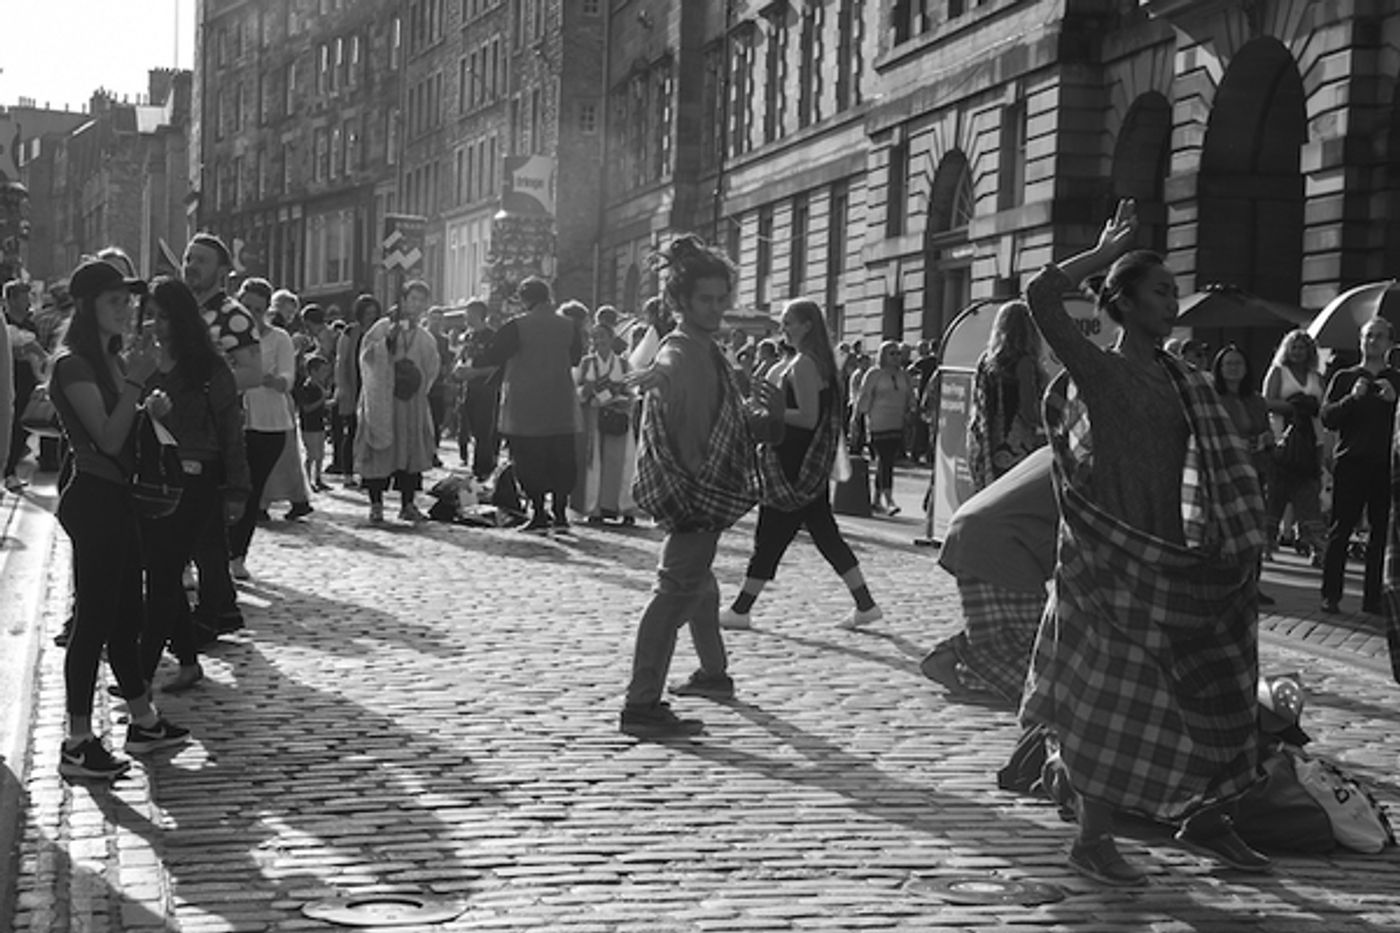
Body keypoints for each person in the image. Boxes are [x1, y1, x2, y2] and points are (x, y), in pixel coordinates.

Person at [1021, 199, 1271, 885]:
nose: (1173, 300)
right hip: (1109, 560)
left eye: (1172, 290)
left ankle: (1210, 818)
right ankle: (1092, 840)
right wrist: (1102, 253)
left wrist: (1236, 536)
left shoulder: (1183, 378)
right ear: (1124, 304)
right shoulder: (1102, 370)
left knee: (1213, 683)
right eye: (1160, 290)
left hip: (1176, 558)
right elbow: (1038, 295)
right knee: (1108, 696)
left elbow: (1225, 466)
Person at [49, 259, 191, 778]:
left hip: (118, 498)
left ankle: (143, 719)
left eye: (127, 301)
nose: (126, 309)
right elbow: (104, 439)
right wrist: (134, 385)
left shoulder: (107, 361)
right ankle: (78, 740)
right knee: (93, 622)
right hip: (92, 499)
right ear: (88, 306)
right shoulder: (73, 364)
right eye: (114, 301)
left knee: (127, 615)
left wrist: (145, 410)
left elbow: (122, 429)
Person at [621, 234, 763, 736]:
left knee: (699, 585)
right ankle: (641, 703)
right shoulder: (683, 352)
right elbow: (667, 377)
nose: (718, 308)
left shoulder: (705, 348)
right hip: (696, 495)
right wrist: (655, 378)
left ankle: (714, 674)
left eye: (723, 298)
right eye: (707, 299)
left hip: (705, 493)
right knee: (674, 593)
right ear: (681, 302)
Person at [717, 298, 883, 636]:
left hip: (795, 461)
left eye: (789, 322)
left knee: (770, 536)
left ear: (807, 324)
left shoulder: (807, 364)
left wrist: (771, 414)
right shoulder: (800, 361)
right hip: (794, 458)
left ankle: (740, 609)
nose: (783, 328)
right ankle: (865, 604)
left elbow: (808, 417)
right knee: (825, 535)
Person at [138, 277, 250, 694]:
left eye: (165, 316)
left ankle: (141, 673)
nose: (157, 324)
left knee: (165, 573)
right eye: (151, 316)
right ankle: (187, 663)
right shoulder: (141, 363)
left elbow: (231, 431)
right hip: (152, 477)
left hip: (196, 480)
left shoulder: (208, 367)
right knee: (162, 571)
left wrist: (238, 489)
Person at [921, 446, 1055, 705]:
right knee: (1029, 639)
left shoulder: (1060, 449)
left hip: (979, 529)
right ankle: (951, 657)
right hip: (997, 541)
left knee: (1014, 628)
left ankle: (953, 658)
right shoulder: (1090, 466)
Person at [183, 233, 259, 637]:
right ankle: (206, 606)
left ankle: (217, 608)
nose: (191, 265)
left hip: (213, 433)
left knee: (206, 523)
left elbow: (253, 371)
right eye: (188, 257)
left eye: (201, 260)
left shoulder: (232, 315)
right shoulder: (178, 310)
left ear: (222, 271)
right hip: (175, 431)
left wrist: (205, 386)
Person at [482, 277, 584, 532]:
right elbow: (575, 358)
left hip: (525, 406)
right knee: (561, 460)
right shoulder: (569, 326)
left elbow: (494, 354)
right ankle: (560, 514)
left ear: (525, 299)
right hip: (560, 404)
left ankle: (539, 513)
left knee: (529, 461)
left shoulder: (517, 326)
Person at [1319, 317, 1400, 615]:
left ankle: (1373, 599)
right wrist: (1352, 399)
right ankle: (1331, 595)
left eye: (1379, 337)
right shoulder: (1345, 377)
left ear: (1390, 343)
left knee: (1381, 534)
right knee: (1340, 531)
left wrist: (1395, 400)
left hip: (1386, 466)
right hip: (1351, 462)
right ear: (1360, 341)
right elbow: (1327, 417)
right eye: (1368, 336)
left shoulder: (1396, 379)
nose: (1373, 341)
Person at [355, 280, 440, 523]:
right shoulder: (383, 327)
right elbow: (367, 355)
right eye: (412, 298)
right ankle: (376, 504)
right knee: (380, 450)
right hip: (384, 399)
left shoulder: (424, 337)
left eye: (421, 300)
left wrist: (416, 380)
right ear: (403, 300)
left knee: (409, 451)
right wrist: (388, 343)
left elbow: (431, 366)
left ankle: (407, 503)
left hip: (409, 403)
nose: (416, 304)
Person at [228, 278, 294, 579]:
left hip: (269, 426)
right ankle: (205, 555)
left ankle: (237, 555)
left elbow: (286, 379)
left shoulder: (279, 338)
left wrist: (266, 378)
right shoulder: (225, 335)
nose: (251, 314)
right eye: (246, 306)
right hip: (230, 423)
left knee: (251, 492)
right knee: (222, 490)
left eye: (258, 309)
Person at [1212, 344, 1276, 607]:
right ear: (1219, 368)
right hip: (1224, 473)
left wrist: (1264, 438)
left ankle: (1252, 584)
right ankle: (1224, 585)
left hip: (1253, 471)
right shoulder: (1213, 398)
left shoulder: (1256, 400)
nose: (1234, 368)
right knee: (1225, 532)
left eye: (1239, 363)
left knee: (1253, 531)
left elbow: (1266, 431)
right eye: (1228, 363)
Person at [966, 301, 1048, 492]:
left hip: (989, 443)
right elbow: (1028, 411)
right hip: (1016, 444)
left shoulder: (986, 360)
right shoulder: (1025, 363)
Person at [1261, 329, 1325, 560]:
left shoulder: (1316, 377)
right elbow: (1266, 402)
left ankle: (1316, 545)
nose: (1298, 352)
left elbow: (1322, 410)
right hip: (1281, 440)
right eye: (1294, 347)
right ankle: (1267, 543)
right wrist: (1295, 407)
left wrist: (1322, 446)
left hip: (1310, 440)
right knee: (1274, 494)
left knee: (1309, 494)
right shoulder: (1279, 372)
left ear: (1310, 351)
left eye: (1302, 347)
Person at [576, 321, 638, 525]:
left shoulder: (623, 364)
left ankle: (624, 507)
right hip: (594, 420)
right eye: (595, 337)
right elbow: (576, 392)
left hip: (618, 419)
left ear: (612, 339)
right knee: (595, 463)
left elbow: (632, 392)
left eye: (603, 336)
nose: (599, 341)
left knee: (623, 462)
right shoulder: (586, 363)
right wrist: (587, 392)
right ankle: (595, 508)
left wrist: (621, 398)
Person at [853, 340, 913, 515]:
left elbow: (909, 395)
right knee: (885, 458)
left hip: (897, 422)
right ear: (883, 355)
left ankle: (877, 498)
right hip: (878, 422)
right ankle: (889, 499)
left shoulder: (903, 375)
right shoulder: (875, 374)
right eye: (892, 353)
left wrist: (911, 410)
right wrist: (857, 418)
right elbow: (864, 396)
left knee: (886, 460)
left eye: (898, 353)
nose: (896, 357)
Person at [451, 298, 501, 481]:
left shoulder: (492, 337)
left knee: (484, 431)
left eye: (469, 313)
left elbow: (498, 366)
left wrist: (476, 373)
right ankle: (476, 465)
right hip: (468, 389)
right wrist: (459, 368)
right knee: (469, 429)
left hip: (486, 390)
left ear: (480, 315)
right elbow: (461, 357)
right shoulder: (467, 337)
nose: (466, 317)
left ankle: (483, 469)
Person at [333, 294, 381, 485]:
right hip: (355, 387)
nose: (370, 316)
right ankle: (347, 473)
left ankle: (368, 473)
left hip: (374, 388)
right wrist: (342, 386)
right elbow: (341, 361)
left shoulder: (380, 332)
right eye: (367, 313)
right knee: (352, 431)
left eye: (373, 313)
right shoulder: (350, 332)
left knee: (371, 432)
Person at [4, 279, 43, 491]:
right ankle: (8, 472)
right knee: (11, 426)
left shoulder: (30, 324)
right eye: (22, 296)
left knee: (25, 426)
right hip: (9, 382)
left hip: (28, 382)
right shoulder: (5, 322)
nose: (28, 300)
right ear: (10, 300)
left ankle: (9, 469)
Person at [294, 355, 332, 491]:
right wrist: (322, 400)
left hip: (319, 424)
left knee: (320, 454)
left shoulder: (319, 387)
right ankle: (308, 480)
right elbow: (306, 408)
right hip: (309, 426)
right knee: (311, 454)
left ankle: (318, 478)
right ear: (313, 371)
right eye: (322, 371)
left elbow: (320, 406)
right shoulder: (307, 387)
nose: (325, 374)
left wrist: (330, 404)